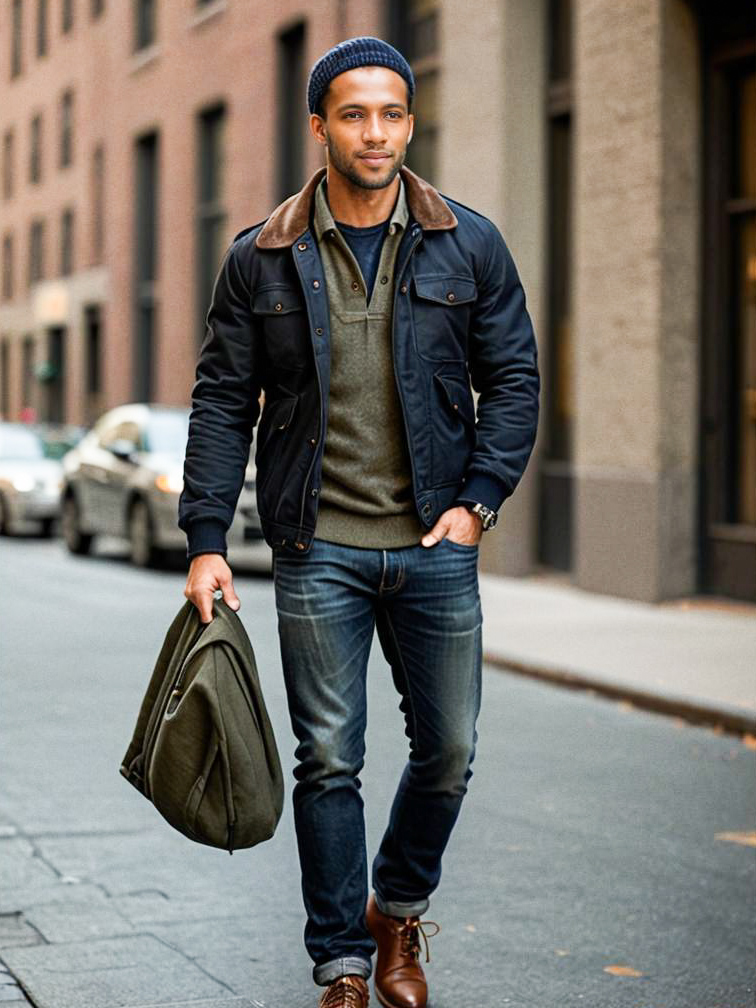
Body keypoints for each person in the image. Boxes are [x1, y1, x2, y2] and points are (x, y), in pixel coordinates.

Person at [179, 35, 540, 1008]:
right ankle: (343, 961)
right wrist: (207, 539)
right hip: (317, 548)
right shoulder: (262, 257)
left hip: (435, 546)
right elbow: (221, 403)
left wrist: (478, 505)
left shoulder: (470, 243)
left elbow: (513, 382)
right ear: (319, 127)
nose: (373, 132)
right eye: (353, 113)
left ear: (411, 124)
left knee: (450, 751)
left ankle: (398, 908)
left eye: (390, 113)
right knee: (329, 759)